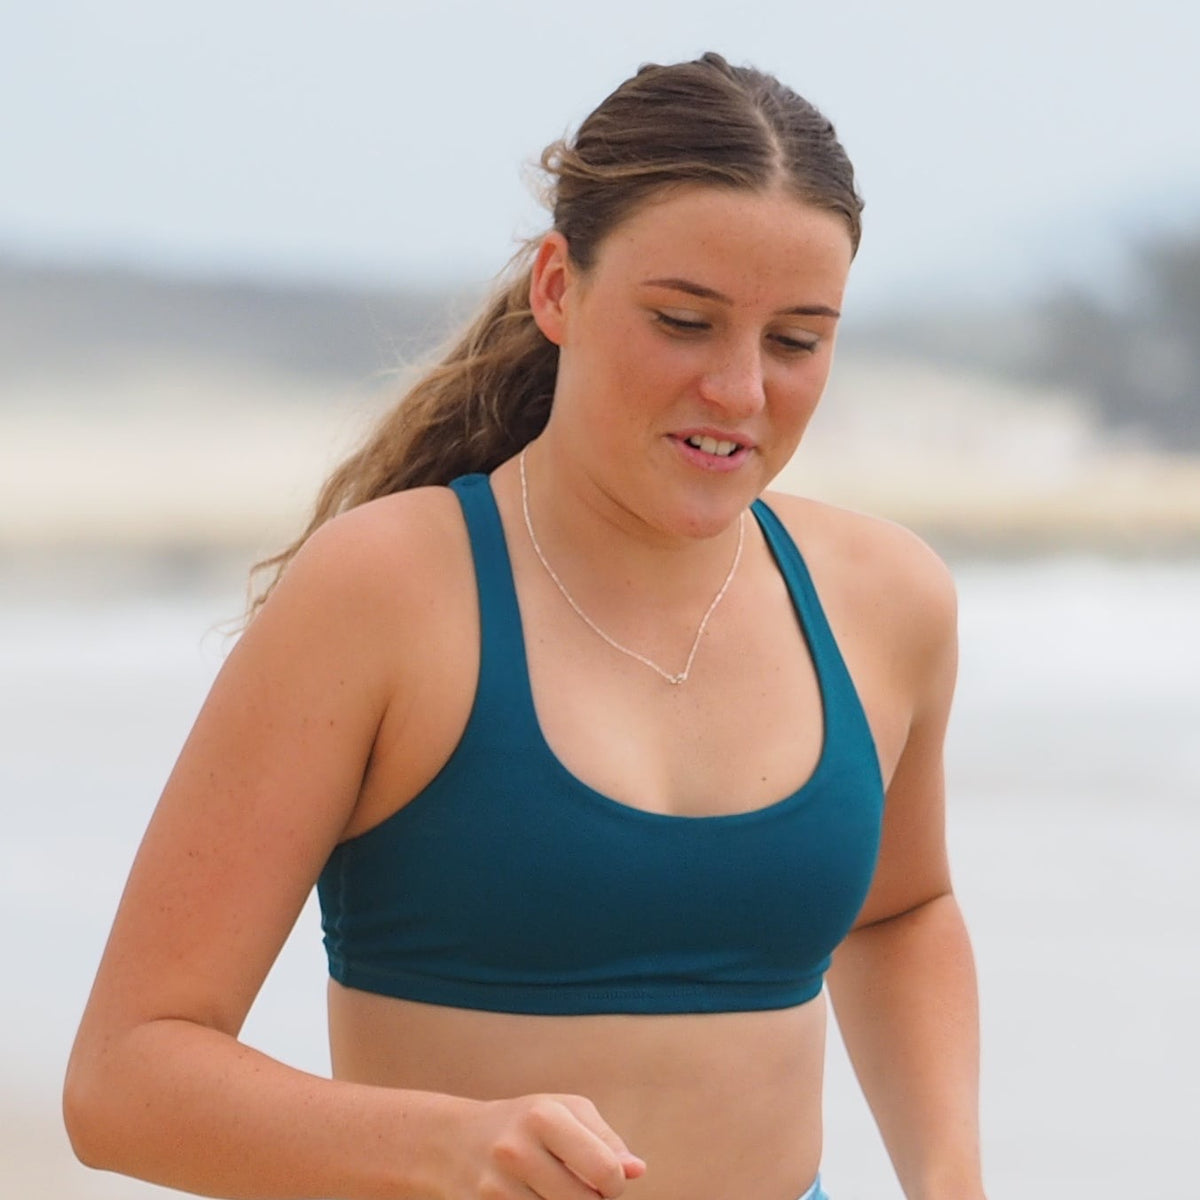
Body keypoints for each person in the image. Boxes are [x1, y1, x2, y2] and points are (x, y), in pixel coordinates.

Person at [64, 52, 986, 1200]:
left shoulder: (885, 597)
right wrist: (443, 1148)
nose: (741, 390)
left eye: (797, 341)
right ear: (559, 288)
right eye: (685, 321)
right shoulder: (384, 593)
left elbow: (902, 911)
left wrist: (950, 1178)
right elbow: (123, 1082)